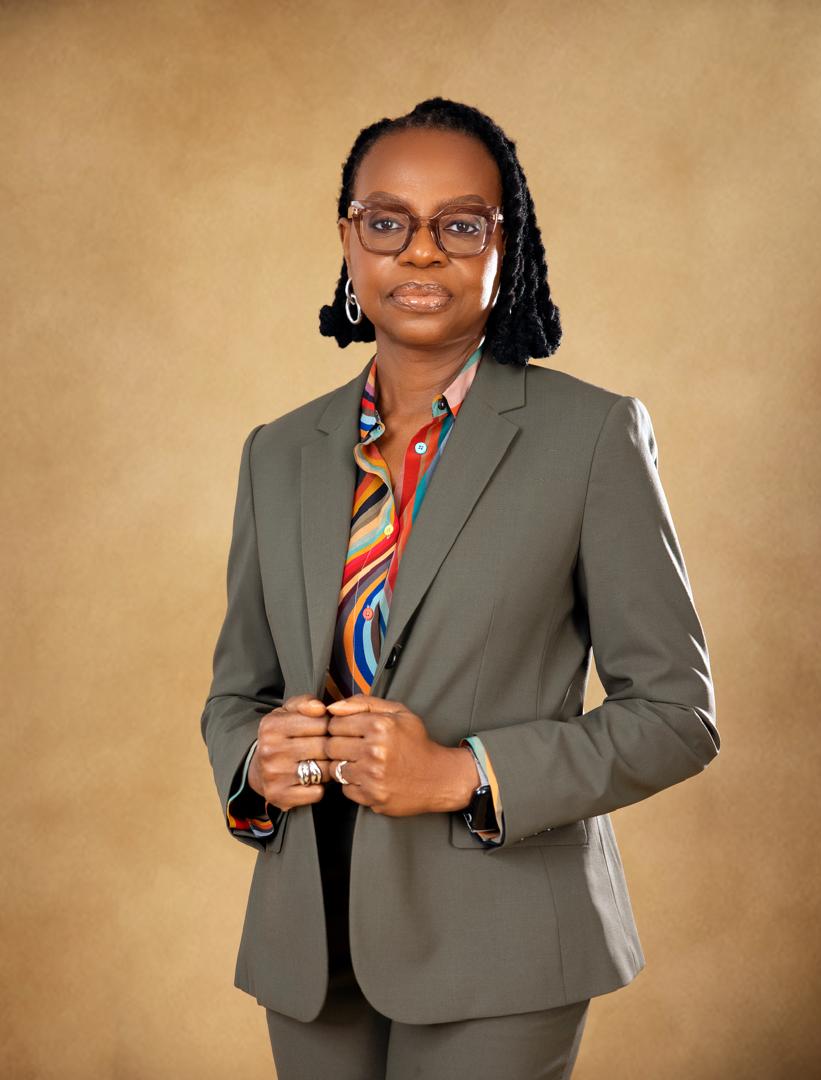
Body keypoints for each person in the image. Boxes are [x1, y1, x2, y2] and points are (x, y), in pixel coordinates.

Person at [200, 96, 720, 1080]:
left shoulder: (592, 437)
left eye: (460, 224)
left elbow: (677, 716)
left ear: (504, 245)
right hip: (308, 944)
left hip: (504, 941)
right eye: (387, 222)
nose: (420, 250)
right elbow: (238, 692)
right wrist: (253, 765)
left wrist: (466, 774)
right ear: (348, 240)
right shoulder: (278, 451)